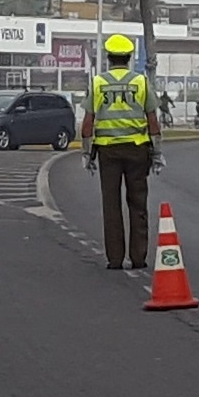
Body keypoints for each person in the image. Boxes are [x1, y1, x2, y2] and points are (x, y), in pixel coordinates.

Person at [81, 35, 159, 270]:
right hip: (137, 150)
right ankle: (139, 257)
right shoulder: (141, 82)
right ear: (129, 58)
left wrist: (86, 153)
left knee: (111, 204)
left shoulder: (98, 83)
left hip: (108, 152)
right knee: (138, 203)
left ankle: (115, 258)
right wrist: (157, 152)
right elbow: (152, 120)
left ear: (108, 58)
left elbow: (87, 122)